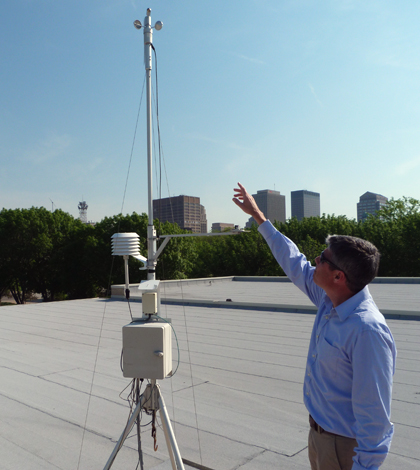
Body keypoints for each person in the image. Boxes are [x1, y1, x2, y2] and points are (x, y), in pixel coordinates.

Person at [232, 182, 396, 470]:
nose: (315, 261)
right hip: (319, 438)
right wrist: (259, 216)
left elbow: (375, 417)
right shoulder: (328, 298)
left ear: (338, 277)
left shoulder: (367, 331)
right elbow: (293, 260)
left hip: (345, 450)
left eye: (322, 259)